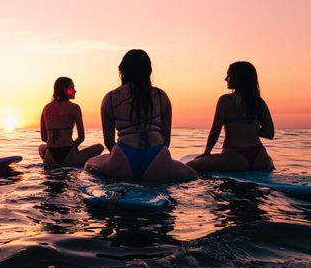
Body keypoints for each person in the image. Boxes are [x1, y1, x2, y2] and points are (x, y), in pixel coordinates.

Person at [84, 50, 197, 182]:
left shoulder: (110, 98)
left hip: (123, 158)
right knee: (192, 174)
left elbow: (109, 142)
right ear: (148, 70)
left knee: (89, 164)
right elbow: (166, 141)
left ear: (122, 71)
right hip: (158, 158)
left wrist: (120, 162)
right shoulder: (161, 96)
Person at [187, 62, 274, 171]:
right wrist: (250, 129)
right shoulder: (260, 102)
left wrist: (206, 152)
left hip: (235, 157)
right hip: (260, 157)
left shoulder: (226, 100)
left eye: (229, 75)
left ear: (238, 78)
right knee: (269, 160)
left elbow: (215, 131)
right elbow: (270, 133)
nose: (225, 78)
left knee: (189, 166)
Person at [39, 77, 104, 167]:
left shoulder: (46, 108)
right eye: (72, 88)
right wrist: (71, 149)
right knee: (99, 147)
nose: (75, 90)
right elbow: (81, 137)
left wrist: (56, 145)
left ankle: (53, 161)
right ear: (64, 90)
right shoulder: (75, 108)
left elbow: (43, 138)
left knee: (41, 147)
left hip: (50, 156)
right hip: (69, 154)